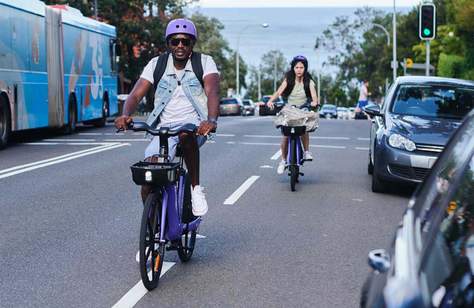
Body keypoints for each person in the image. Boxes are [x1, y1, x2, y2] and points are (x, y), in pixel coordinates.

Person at [115, 18, 220, 216]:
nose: (180, 45)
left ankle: (195, 189)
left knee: (184, 135)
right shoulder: (157, 64)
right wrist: (125, 115)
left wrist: (211, 120)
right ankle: (155, 231)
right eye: (175, 41)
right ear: (168, 43)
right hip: (163, 129)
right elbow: (136, 94)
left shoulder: (204, 62)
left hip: (195, 127)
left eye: (185, 41)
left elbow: (213, 92)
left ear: (192, 44)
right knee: (149, 179)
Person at [266, 55, 319, 175]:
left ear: (305, 68)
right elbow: (279, 92)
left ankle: (306, 152)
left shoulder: (309, 82)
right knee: (285, 135)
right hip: (289, 109)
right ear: (293, 68)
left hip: (303, 109)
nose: (299, 70)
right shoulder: (288, 79)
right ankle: (283, 161)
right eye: (297, 67)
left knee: (304, 128)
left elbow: (314, 97)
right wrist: (270, 101)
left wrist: (314, 102)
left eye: (301, 67)